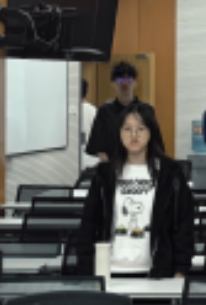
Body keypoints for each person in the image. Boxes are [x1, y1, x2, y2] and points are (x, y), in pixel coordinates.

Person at [74, 103, 198, 278]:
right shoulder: (105, 173)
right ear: (119, 132)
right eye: (127, 129)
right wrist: (86, 272)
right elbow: (88, 224)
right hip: (109, 271)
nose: (134, 135)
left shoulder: (170, 173)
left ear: (151, 132)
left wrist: (181, 271)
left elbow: (184, 224)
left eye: (141, 129)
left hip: (157, 273)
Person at [87, 61, 159, 166]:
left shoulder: (146, 110)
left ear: (135, 83)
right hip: (113, 167)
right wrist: (109, 168)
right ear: (113, 83)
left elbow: (155, 144)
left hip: (141, 167)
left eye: (129, 79)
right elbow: (98, 147)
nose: (125, 83)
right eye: (120, 79)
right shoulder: (104, 112)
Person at [79, 78, 99, 172]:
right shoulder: (94, 111)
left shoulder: (62, 111)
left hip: (70, 164)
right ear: (86, 92)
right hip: (92, 163)